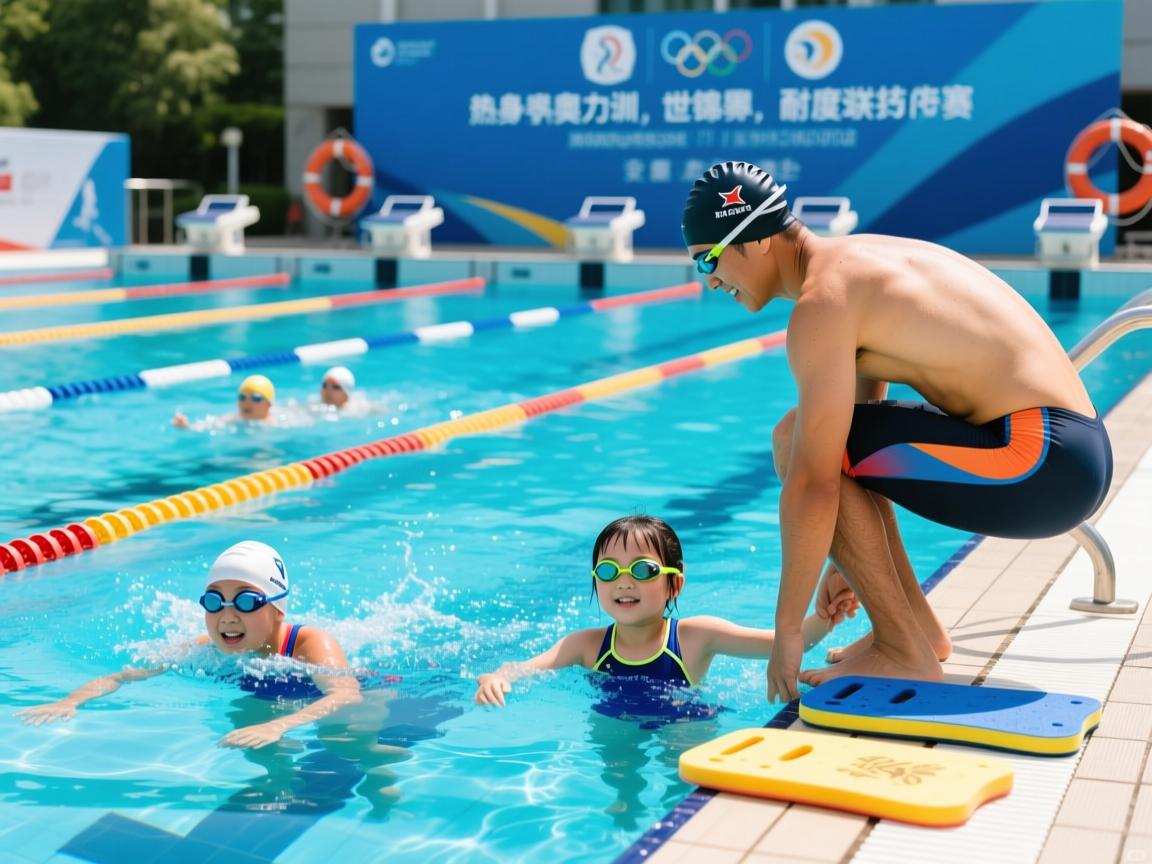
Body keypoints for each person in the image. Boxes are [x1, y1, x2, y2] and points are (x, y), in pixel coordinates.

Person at [682, 161, 1113, 703]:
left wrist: (788, 628)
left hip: (1039, 464)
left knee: (793, 440)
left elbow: (814, 479)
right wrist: (847, 561)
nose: (712, 279)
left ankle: (904, 652)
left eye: (711, 258)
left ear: (759, 240)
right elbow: (856, 445)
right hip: (1072, 454)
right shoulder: (853, 266)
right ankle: (916, 633)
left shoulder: (823, 302)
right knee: (826, 445)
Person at [474, 514, 855, 708]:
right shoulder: (586, 646)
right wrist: (497, 677)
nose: (624, 582)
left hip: (684, 720)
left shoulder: (696, 637)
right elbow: (524, 668)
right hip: (615, 722)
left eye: (642, 570)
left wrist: (822, 619)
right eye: (608, 571)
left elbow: (783, 644)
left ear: (675, 583)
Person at [16, 540, 361, 748]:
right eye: (214, 601)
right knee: (245, 731)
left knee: (351, 736)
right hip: (270, 697)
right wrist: (72, 700)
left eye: (244, 602)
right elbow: (126, 676)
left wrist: (279, 725)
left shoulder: (308, 643)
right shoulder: (204, 647)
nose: (226, 616)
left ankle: (377, 773)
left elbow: (347, 695)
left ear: (277, 609)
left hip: (367, 696)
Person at [173, 374, 276, 429]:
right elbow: (207, 425)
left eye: (255, 398)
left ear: (269, 404)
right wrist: (187, 426)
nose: (247, 403)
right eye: (242, 397)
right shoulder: (232, 419)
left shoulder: (279, 424)